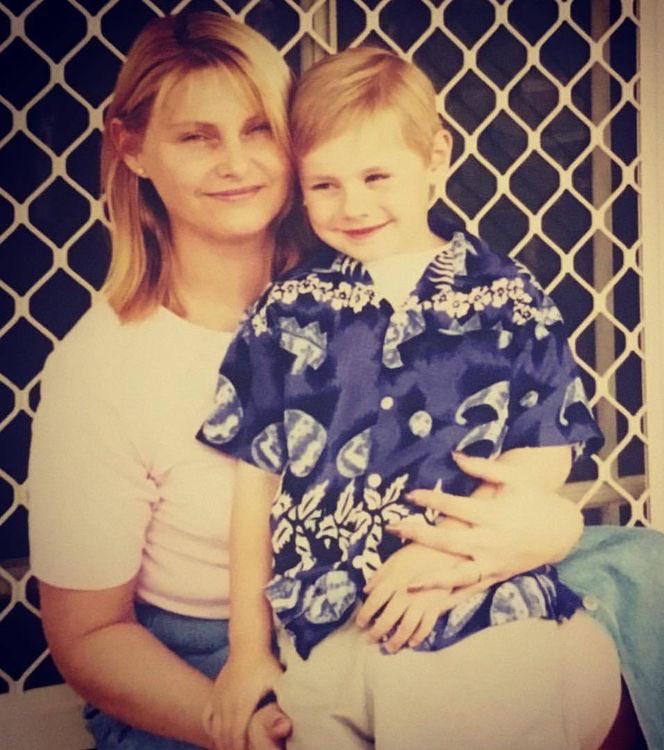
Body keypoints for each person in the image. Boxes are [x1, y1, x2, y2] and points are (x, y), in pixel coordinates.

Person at [198, 46, 623, 750]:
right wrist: (248, 651)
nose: (353, 204)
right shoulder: (287, 311)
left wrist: (451, 556)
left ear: (436, 157)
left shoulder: (508, 298)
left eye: (375, 176)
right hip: (321, 626)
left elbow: (544, 452)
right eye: (325, 184)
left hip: (469, 613)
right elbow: (255, 486)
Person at [27, 12, 300, 749]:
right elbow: (90, 636)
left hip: (363, 630)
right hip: (191, 666)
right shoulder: (102, 369)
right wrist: (251, 729)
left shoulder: (354, 305)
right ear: (133, 147)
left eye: (259, 129)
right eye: (196, 136)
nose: (236, 162)